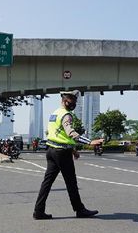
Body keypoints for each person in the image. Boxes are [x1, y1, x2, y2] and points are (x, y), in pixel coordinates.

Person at [33, 90, 100, 220]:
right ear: (65, 100)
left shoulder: (55, 113)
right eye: (72, 101)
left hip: (51, 150)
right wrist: (90, 142)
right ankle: (80, 210)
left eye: (75, 101)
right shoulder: (66, 115)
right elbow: (70, 133)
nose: (74, 104)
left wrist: (73, 150)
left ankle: (38, 211)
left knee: (47, 182)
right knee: (71, 183)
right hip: (61, 154)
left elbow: (59, 134)